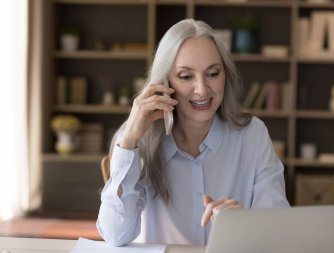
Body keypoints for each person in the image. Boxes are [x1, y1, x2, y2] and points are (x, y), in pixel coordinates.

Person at [96, 18, 290, 247]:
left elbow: (279, 233)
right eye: (186, 76)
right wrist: (128, 141)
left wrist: (244, 222)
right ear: (165, 81)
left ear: (225, 75)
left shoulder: (252, 135)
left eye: (213, 73)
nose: (202, 89)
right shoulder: (139, 139)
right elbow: (115, 235)